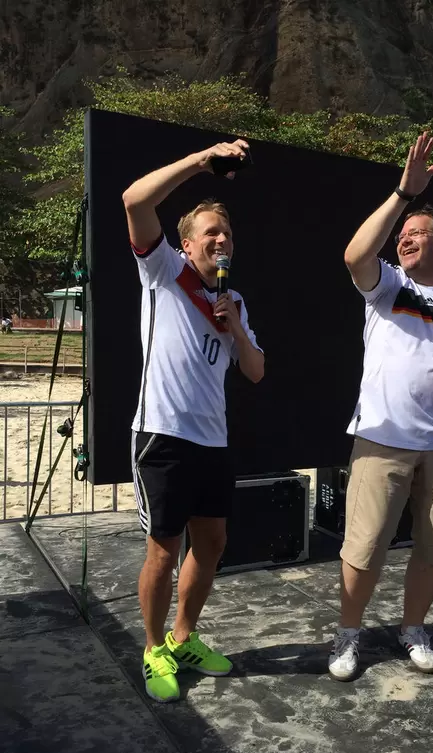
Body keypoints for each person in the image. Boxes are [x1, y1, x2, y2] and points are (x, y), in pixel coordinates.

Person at [328, 131, 433, 682]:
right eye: (402, 235)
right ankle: (348, 635)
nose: (405, 241)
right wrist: (403, 194)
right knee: (365, 545)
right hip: (381, 436)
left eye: (417, 234)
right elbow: (355, 254)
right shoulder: (388, 286)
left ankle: (412, 628)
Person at [122, 139, 265, 703]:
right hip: (162, 434)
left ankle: (184, 639)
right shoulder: (163, 271)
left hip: (212, 440)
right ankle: (154, 647)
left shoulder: (235, 302)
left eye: (226, 233)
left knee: (212, 543)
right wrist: (202, 161)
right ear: (186, 244)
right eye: (210, 232)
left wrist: (234, 328)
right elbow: (134, 201)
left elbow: (255, 372)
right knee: (164, 548)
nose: (221, 239)